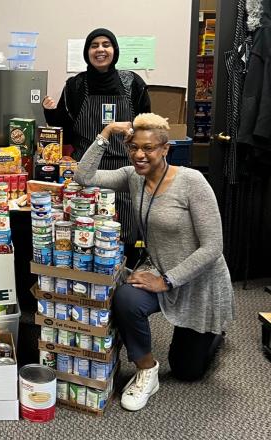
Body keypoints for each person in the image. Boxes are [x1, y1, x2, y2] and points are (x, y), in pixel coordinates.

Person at [74, 113, 235, 412]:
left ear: (165, 148)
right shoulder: (132, 177)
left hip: (197, 279)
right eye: (134, 147)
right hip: (158, 269)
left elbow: (213, 246)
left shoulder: (191, 182)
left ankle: (214, 334)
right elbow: (83, 178)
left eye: (148, 148)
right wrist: (106, 132)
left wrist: (167, 280)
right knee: (126, 298)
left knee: (187, 371)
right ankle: (146, 369)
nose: (139, 154)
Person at [43, 28, 150, 264]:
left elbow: (145, 124)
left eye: (106, 44)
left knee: (126, 233)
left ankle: (126, 281)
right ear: (87, 52)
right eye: (94, 45)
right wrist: (50, 112)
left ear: (114, 50)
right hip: (87, 172)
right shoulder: (75, 85)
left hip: (125, 171)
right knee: (86, 235)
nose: (100, 50)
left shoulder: (132, 82)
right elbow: (66, 128)